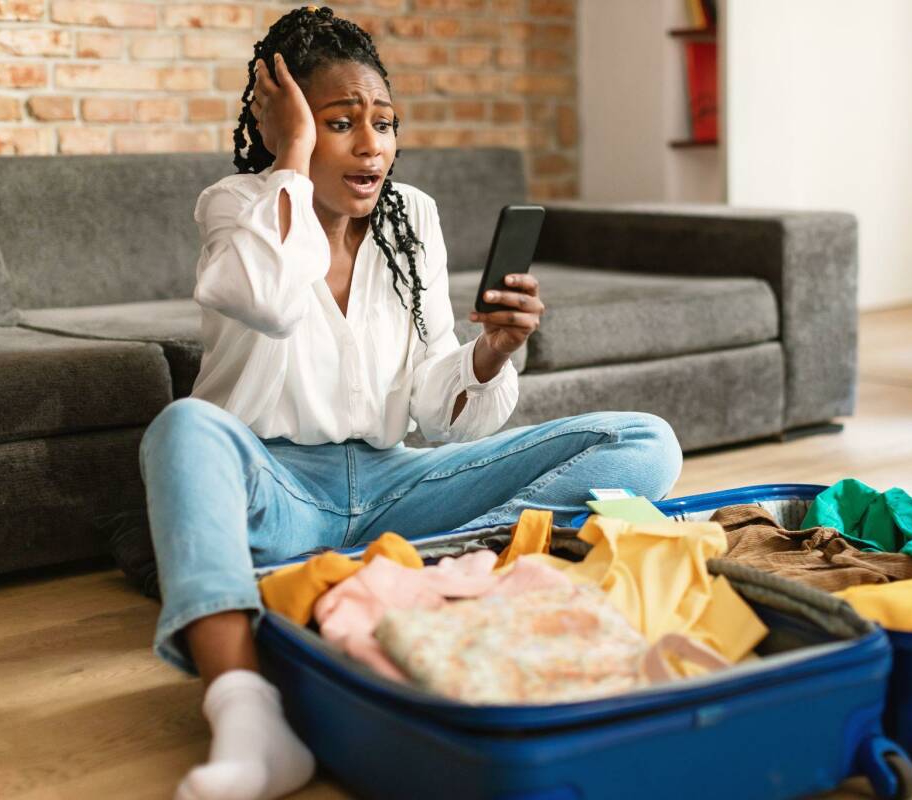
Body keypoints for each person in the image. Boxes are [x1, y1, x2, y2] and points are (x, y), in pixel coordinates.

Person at [140, 6, 682, 800]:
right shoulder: (237, 207)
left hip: (400, 487)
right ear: (285, 124)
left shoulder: (411, 219)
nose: (372, 146)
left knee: (644, 441)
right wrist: (290, 157)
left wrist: (491, 352)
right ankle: (246, 713)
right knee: (182, 427)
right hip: (276, 491)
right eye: (339, 123)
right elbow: (268, 303)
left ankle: (397, 576)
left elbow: (436, 407)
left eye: (384, 124)